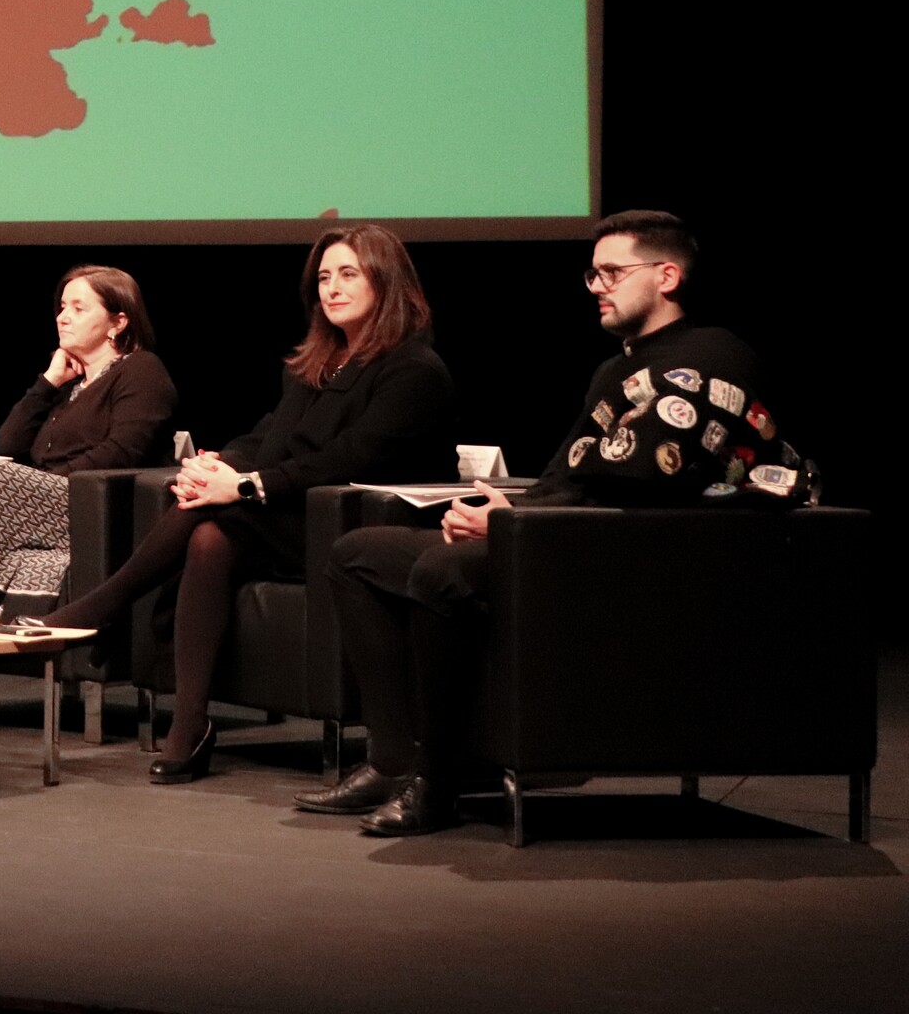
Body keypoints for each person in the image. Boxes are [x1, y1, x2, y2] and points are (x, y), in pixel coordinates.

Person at [309, 210, 807, 836]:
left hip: (631, 559)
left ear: (668, 275)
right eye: (592, 273)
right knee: (358, 553)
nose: (597, 285)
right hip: (555, 536)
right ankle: (390, 759)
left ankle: (436, 784)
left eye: (612, 272)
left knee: (442, 570)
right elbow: (575, 476)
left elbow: (651, 486)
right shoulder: (617, 367)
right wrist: (506, 511)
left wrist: (512, 523)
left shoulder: (712, 359)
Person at [40, 224, 456, 782]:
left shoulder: (412, 369)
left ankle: (102, 608)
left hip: (356, 526)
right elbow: (266, 437)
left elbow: (347, 459)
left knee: (218, 516)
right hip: (288, 517)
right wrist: (219, 465)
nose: (331, 288)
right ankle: (189, 723)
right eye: (324, 277)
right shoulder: (314, 366)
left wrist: (239, 486)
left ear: (387, 281)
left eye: (348, 275)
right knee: (211, 534)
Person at [0, 265, 179, 734]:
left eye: (79, 308)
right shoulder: (72, 384)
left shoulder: (143, 371)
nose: (63, 317)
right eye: (62, 307)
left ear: (119, 321)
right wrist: (47, 383)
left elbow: (123, 452)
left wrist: (45, 481)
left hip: (91, 510)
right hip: (38, 508)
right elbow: (9, 443)